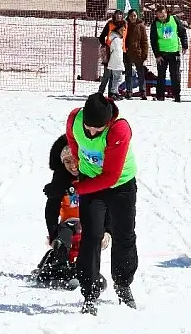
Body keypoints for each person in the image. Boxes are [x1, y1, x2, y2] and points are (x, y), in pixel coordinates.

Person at [65, 93, 138, 315]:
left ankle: (123, 284)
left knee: (123, 235)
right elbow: (72, 140)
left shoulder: (119, 129)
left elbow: (111, 177)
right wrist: (78, 162)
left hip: (120, 185)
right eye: (89, 127)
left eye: (98, 129)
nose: (92, 132)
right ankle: (89, 291)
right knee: (92, 236)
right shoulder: (74, 119)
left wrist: (77, 189)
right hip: (90, 182)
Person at [34, 135, 111, 290]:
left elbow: (107, 205)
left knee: (89, 243)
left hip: (89, 222)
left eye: (75, 160)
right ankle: (60, 263)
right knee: (64, 239)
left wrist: (107, 231)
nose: (72, 166)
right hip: (68, 223)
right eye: (67, 162)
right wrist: (53, 233)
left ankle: (89, 272)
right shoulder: (61, 180)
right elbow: (51, 208)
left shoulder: (92, 177)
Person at [149, 5, 188, 102]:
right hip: (162, 54)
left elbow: (182, 32)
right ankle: (160, 96)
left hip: (174, 52)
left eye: (163, 15)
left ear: (166, 13)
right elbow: (153, 40)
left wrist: (184, 45)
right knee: (161, 75)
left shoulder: (174, 19)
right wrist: (157, 55)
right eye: (159, 16)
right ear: (157, 15)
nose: (161, 18)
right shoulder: (155, 24)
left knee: (175, 75)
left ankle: (177, 95)